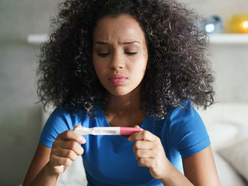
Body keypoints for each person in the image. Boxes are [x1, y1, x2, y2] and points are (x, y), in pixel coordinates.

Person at [23, 0, 220, 185]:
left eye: (130, 51)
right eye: (103, 53)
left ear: (152, 55)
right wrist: (51, 169)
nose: (116, 64)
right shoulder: (70, 115)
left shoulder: (179, 116)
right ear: (86, 57)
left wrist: (166, 170)